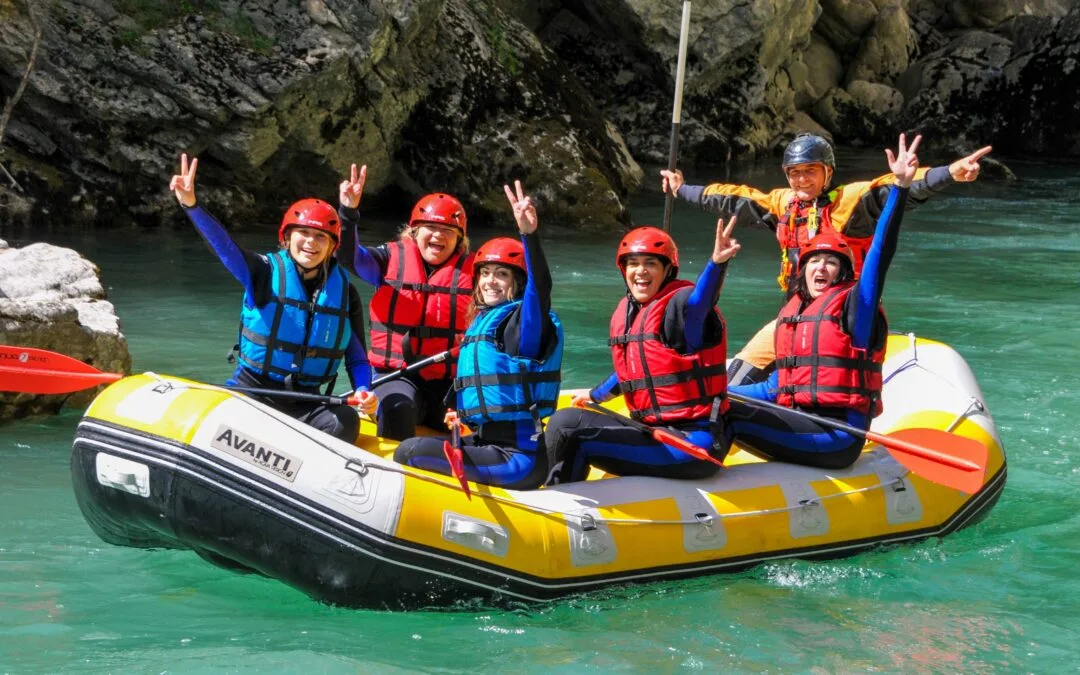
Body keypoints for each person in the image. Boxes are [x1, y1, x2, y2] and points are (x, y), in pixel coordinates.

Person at [661, 134, 992, 384]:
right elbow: (730, 199)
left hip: (843, 320)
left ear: (828, 172)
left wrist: (950, 172)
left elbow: (895, 188)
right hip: (794, 316)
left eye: (810, 171)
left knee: (814, 383)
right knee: (736, 376)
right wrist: (681, 189)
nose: (802, 179)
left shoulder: (850, 203)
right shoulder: (783, 204)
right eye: (795, 172)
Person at [726, 134, 919, 469]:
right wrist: (712, 391)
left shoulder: (855, 308)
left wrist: (900, 188)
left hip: (835, 437)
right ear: (803, 271)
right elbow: (777, 386)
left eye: (831, 262)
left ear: (843, 273)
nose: (821, 267)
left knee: (721, 411)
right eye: (814, 261)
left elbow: (881, 251)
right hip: (798, 418)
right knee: (716, 400)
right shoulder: (796, 316)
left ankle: (688, 464)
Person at [168, 154, 377, 442]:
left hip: (307, 402)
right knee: (218, 417)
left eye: (321, 237)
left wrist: (364, 389)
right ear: (286, 237)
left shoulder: (345, 292)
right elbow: (225, 248)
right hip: (255, 389)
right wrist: (192, 205)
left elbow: (356, 358)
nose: (311, 243)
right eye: (303, 233)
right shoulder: (262, 271)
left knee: (344, 423)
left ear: (332, 247)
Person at [393, 181, 562, 489]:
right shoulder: (485, 320)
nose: (490, 282)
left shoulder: (525, 323)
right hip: (486, 443)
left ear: (518, 282)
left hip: (518, 457)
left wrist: (529, 234)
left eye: (501, 274)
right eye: (485, 273)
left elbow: (542, 288)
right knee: (419, 443)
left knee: (410, 450)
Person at [543, 219, 739, 484]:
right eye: (633, 263)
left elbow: (701, 300)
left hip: (692, 443)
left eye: (651, 263)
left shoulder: (681, 310)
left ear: (668, 270)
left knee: (567, 426)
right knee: (565, 419)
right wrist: (594, 395)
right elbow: (631, 373)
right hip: (653, 431)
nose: (640, 271)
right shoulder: (630, 313)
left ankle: (560, 507)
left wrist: (716, 263)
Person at [337, 164, 474, 440]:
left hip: (449, 384)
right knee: (398, 408)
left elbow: (530, 295)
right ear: (414, 232)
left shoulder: (476, 274)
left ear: (460, 239)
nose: (438, 235)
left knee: (477, 423)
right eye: (430, 227)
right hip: (395, 377)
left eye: (448, 230)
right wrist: (348, 213)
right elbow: (348, 257)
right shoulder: (389, 260)